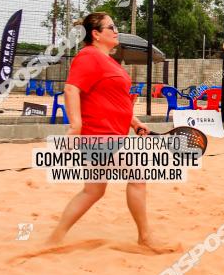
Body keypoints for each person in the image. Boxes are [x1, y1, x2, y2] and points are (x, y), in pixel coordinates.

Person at [46, 13, 173, 252]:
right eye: (111, 27)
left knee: (93, 190)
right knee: (138, 173)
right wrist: (75, 126)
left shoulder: (108, 62)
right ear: (96, 34)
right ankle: (145, 236)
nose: (116, 30)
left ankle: (55, 237)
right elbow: (71, 89)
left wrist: (134, 122)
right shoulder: (88, 56)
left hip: (113, 133)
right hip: (101, 134)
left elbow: (116, 100)